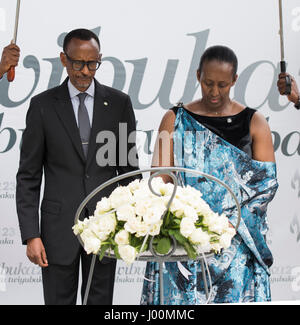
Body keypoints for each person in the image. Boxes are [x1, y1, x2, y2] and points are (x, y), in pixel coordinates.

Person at [141, 45, 278, 304]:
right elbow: (160, 179)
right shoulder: (174, 119)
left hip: (236, 242)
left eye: (223, 85)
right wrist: (180, 217)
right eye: (208, 83)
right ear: (198, 76)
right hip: (184, 241)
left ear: (235, 80)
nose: (214, 92)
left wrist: (229, 223)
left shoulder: (255, 122)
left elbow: (266, 186)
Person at [16, 28, 139, 305]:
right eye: (77, 63)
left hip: (107, 228)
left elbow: (128, 170)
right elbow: (28, 176)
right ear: (63, 59)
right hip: (57, 231)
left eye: (92, 63)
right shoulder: (42, 106)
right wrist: (31, 235)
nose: (85, 71)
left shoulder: (119, 104)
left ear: (99, 60)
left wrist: (130, 224)